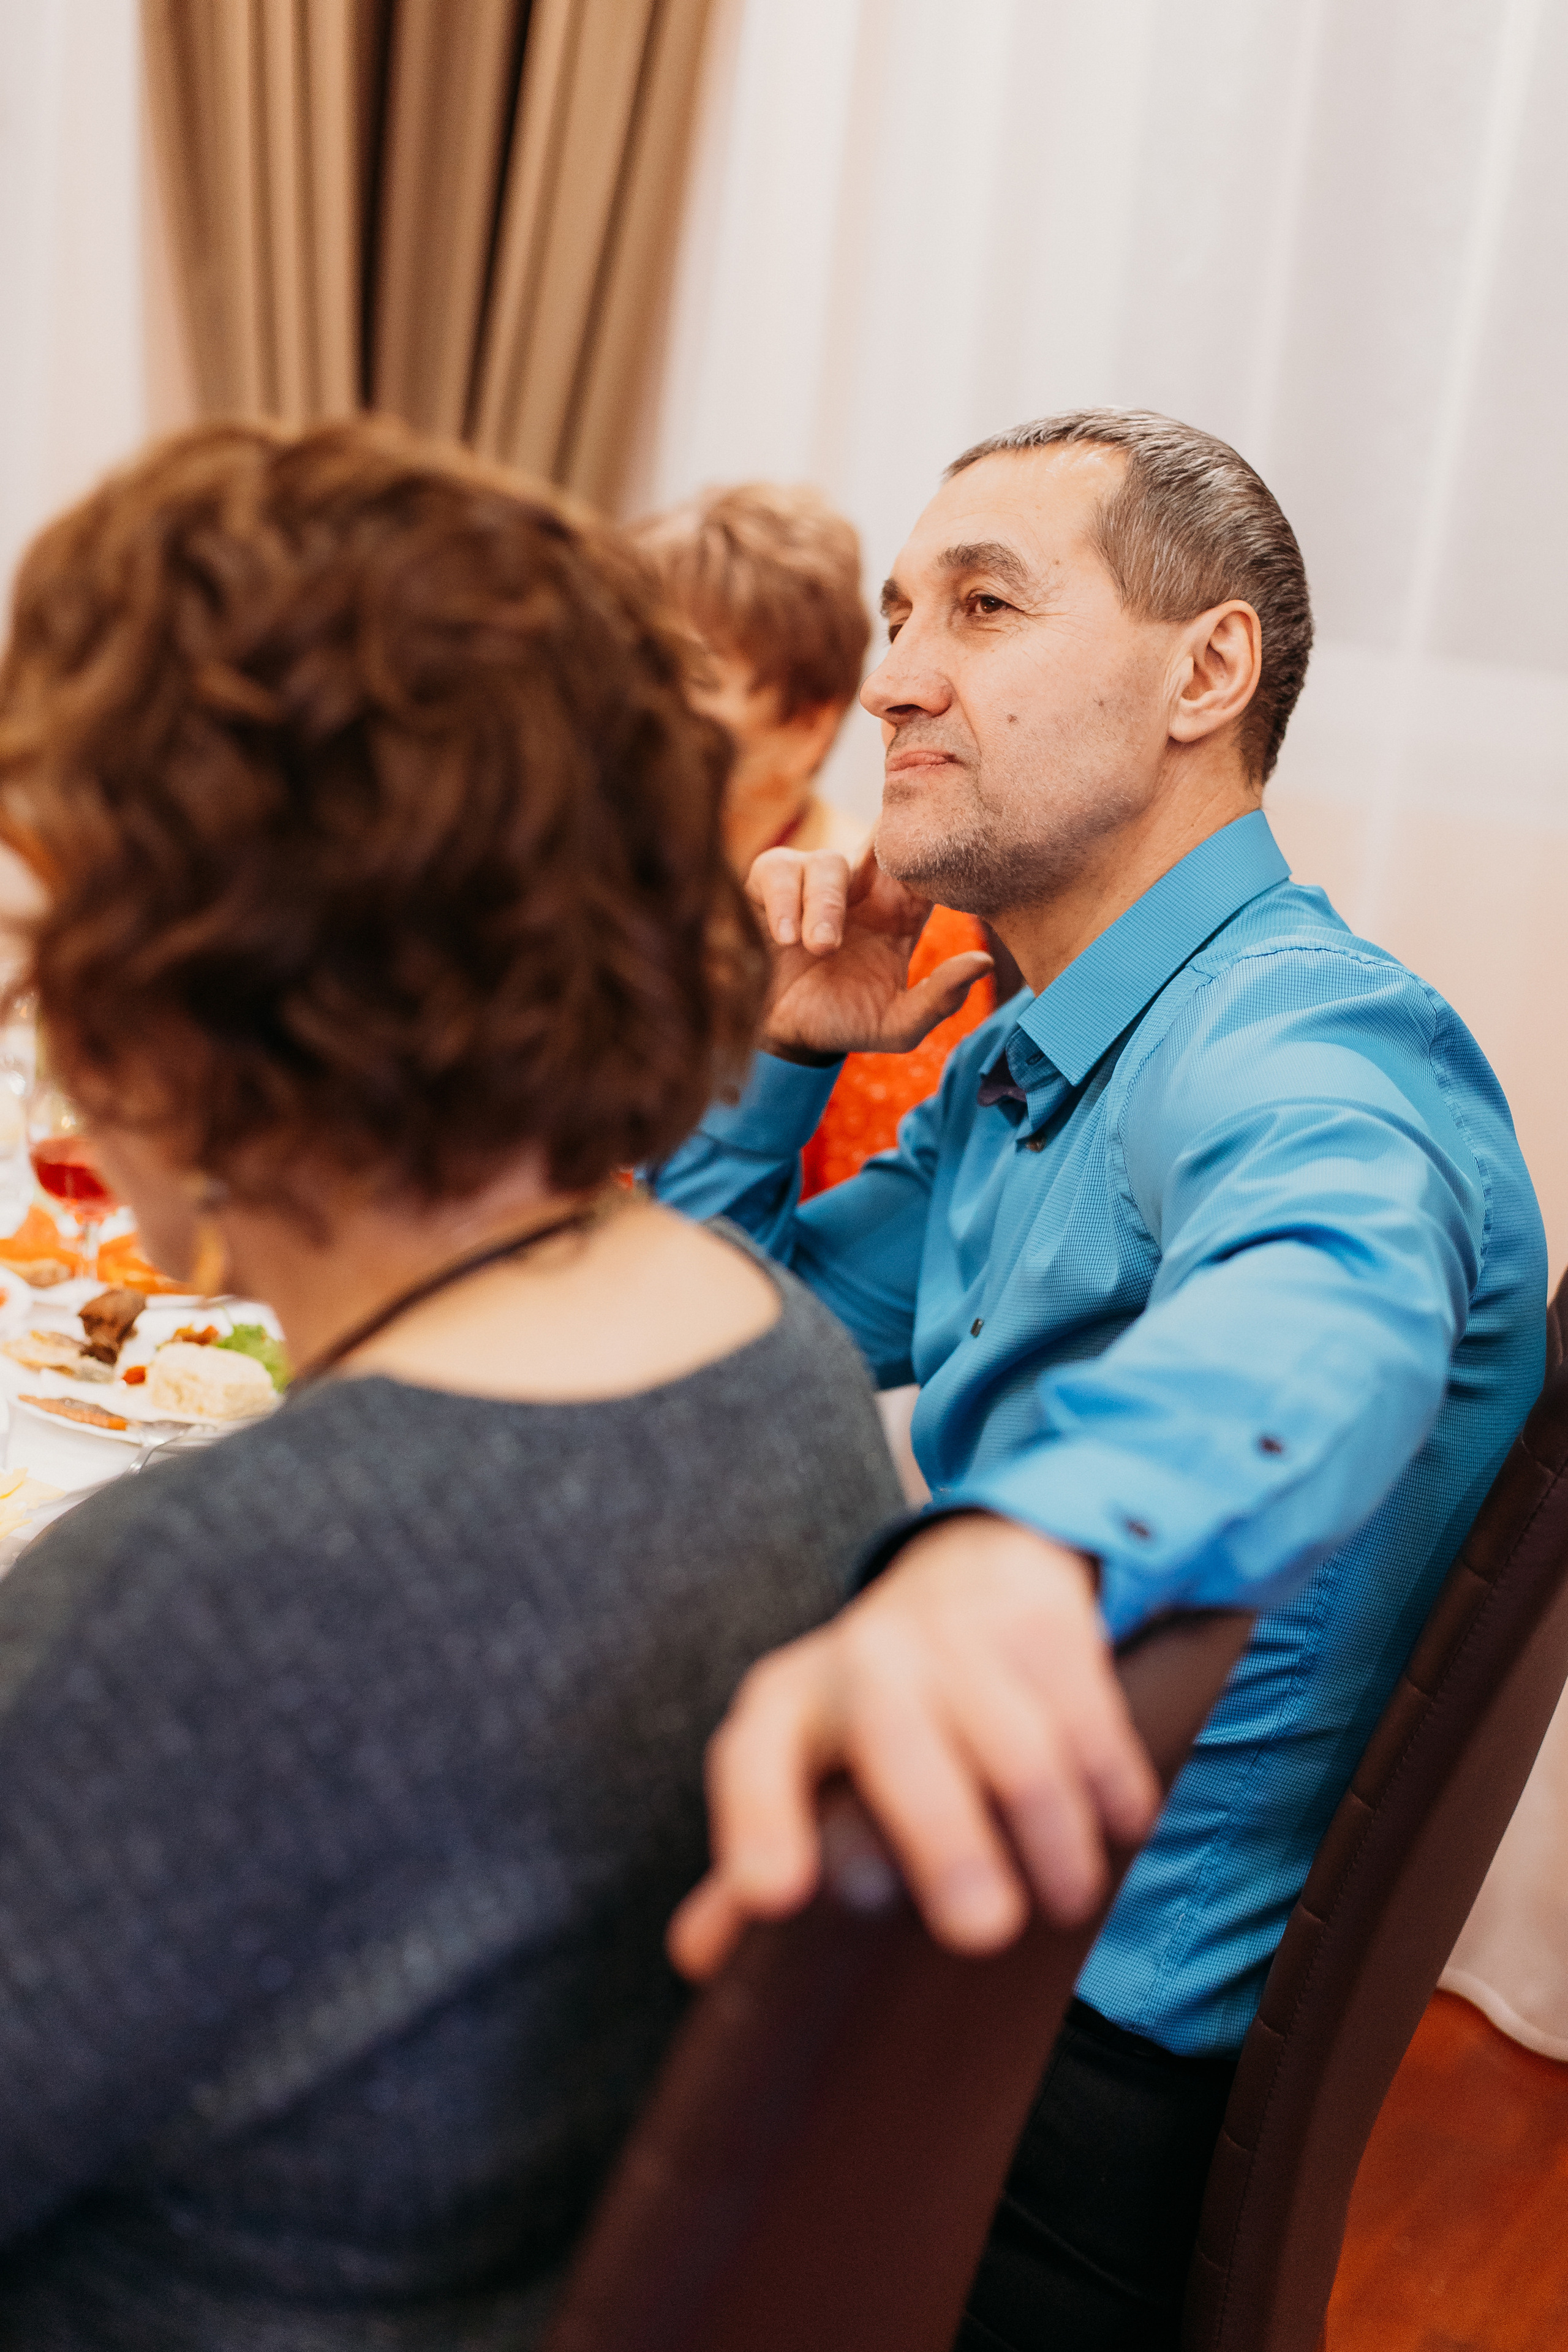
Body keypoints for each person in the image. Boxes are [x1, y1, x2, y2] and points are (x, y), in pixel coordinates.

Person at [0, 418, 902, 2349]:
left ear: (208, 969)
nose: (33, 990)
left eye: (49, 906)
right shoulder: (780, 1365)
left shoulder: (202, 1597)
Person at [653, 409, 1546, 2347]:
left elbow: (1322, 1300)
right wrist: (779, 1053)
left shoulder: (1306, 1048)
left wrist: (1011, 1558)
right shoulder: (1030, 1056)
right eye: (898, 614)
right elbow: (709, 1344)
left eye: (981, 604)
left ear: (1202, 674)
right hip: (968, 1983)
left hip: (1031, 2104)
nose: (892, 674)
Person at [630, 480, 1000, 1199]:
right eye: (628, 664)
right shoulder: (561, 879)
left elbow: (856, 1236)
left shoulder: (896, 925)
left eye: (687, 676)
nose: (634, 707)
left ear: (810, 725)